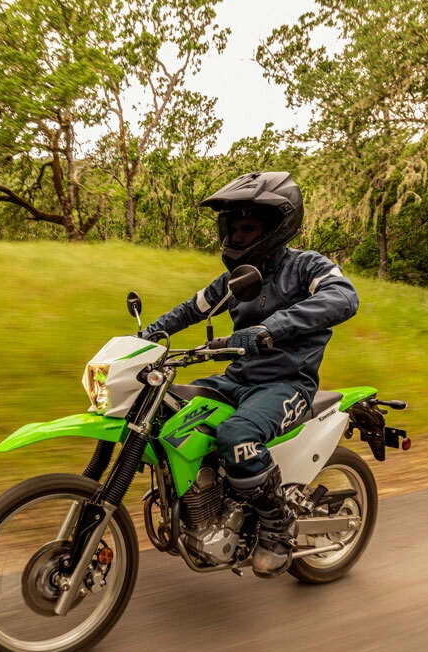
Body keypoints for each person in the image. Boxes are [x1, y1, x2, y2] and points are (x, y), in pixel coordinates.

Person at [140, 171, 359, 578]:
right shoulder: (236, 279)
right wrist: (146, 336)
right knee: (161, 409)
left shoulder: (307, 266)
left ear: (277, 227)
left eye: (248, 228)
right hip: (237, 381)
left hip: (287, 385)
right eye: (232, 227)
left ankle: (278, 525)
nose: (237, 236)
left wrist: (269, 328)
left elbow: (344, 297)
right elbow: (191, 310)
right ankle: (208, 507)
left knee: (236, 435)